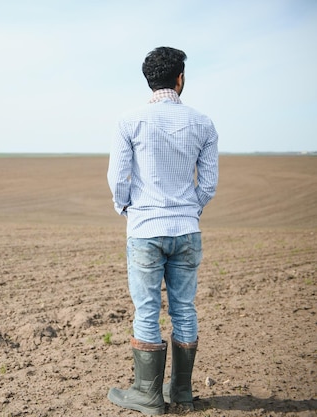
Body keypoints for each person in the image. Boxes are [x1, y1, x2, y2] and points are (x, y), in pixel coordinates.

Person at [106, 46, 219, 415]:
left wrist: (127, 208)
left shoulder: (129, 121)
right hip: (187, 229)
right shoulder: (203, 123)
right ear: (180, 78)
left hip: (145, 229)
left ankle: (147, 394)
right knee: (184, 309)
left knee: (147, 309)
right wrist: (190, 211)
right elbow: (208, 184)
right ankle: (181, 392)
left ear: (149, 80)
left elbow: (117, 178)